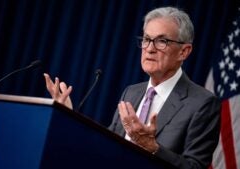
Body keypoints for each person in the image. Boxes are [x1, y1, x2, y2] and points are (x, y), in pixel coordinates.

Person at [43, 6, 221, 169]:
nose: (149, 49)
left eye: (162, 41)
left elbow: (195, 167)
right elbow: (104, 145)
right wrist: (69, 116)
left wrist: (152, 148)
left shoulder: (202, 103)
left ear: (184, 51)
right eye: (146, 39)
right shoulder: (132, 92)